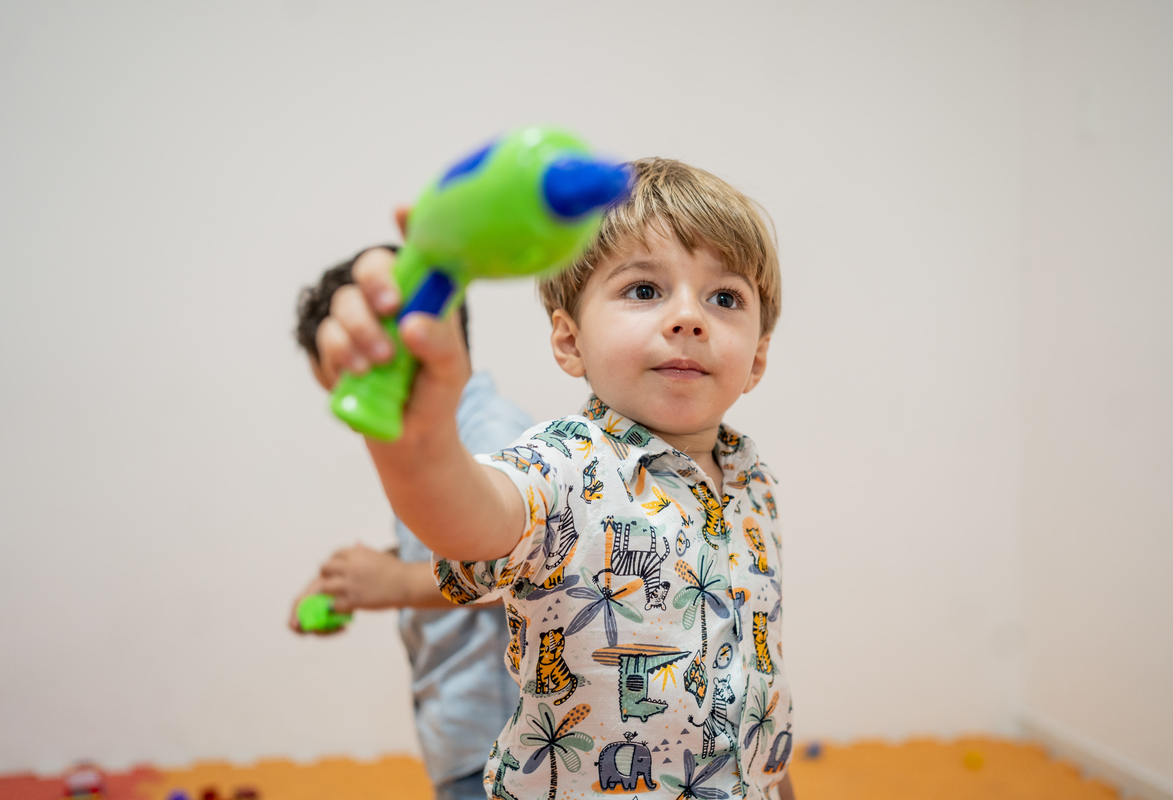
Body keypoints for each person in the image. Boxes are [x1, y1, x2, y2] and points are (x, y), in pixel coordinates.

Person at [317, 159, 796, 799]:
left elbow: (751, 679)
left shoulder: (752, 483)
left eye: (725, 298)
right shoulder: (565, 465)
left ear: (758, 356)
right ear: (570, 341)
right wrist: (419, 445)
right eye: (645, 290)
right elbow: (472, 517)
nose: (689, 318)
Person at [291, 247, 531, 800]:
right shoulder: (434, 447)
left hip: (500, 742)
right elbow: (450, 546)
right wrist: (360, 579)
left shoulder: (489, 429)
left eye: (354, 386)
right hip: (462, 735)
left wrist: (396, 584)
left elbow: (518, 565)